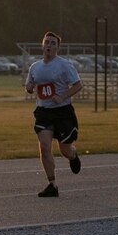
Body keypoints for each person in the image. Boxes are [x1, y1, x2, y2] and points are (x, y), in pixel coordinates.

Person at [24, 31, 83, 197]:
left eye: (53, 43)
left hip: (63, 112)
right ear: (42, 44)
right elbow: (30, 85)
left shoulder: (64, 65)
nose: (49, 46)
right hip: (44, 112)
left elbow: (78, 85)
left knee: (64, 150)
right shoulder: (35, 67)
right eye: (47, 42)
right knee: (44, 146)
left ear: (57, 48)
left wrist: (63, 96)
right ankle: (52, 184)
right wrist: (28, 87)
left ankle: (73, 155)